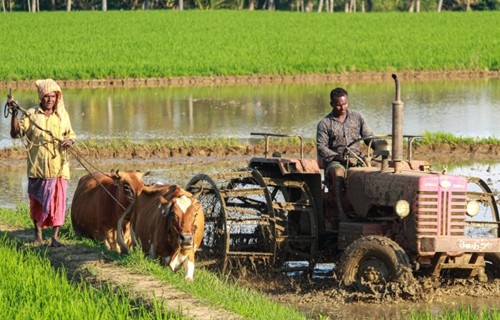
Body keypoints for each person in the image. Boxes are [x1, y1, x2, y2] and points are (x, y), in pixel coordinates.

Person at [8, 79, 76, 247]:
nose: (50, 100)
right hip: (37, 168)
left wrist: (69, 141)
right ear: (41, 97)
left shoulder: (62, 115)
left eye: (53, 96)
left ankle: (55, 237)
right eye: (46, 96)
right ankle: (38, 235)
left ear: (57, 97)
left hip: (59, 167)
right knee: (37, 202)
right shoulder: (31, 114)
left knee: (58, 202)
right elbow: (16, 133)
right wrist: (14, 114)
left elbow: (71, 135)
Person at [316, 87, 373, 219]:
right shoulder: (325, 124)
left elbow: (368, 137)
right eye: (339, 105)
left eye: (345, 104)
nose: (343, 108)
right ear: (332, 104)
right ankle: (341, 212)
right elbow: (321, 147)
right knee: (338, 174)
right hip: (335, 161)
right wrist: (340, 158)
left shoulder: (357, 117)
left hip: (357, 158)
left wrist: (379, 146)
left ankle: (368, 210)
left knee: (375, 171)